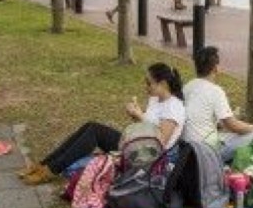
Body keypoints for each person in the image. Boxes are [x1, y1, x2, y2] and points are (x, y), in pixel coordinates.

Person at [19, 62, 186, 185]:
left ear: (163, 84)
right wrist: (137, 115)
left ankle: (49, 171)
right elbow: (148, 125)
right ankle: (43, 165)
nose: (146, 86)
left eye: (149, 83)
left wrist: (140, 116)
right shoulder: (156, 99)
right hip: (137, 144)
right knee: (91, 127)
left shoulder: (174, 107)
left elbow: (160, 141)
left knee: (93, 133)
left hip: (149, 156)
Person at [184, 46, 253, 163]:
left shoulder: (187, 86)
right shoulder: (215, 91)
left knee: (225, 136)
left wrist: (231, 117)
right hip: (207, 154)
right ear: (215, 68)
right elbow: (233, 126)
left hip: (187, 152)